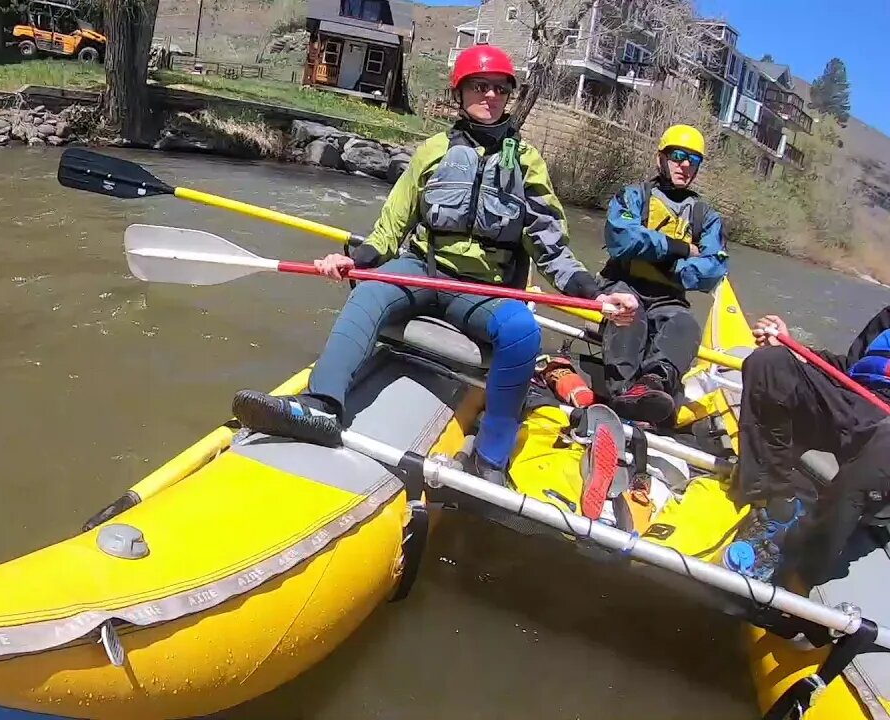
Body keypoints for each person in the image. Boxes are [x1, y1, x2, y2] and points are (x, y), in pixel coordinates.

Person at [230, 45, 637, 487]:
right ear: (460, 93)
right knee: (370, 290)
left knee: (524, 332)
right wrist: (355, 259)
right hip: (422, 270)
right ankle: (321, 406)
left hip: (484, 289)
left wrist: (595, 293)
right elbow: (391, 226)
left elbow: (552, 248)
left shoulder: (527, 163)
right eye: (479, 86)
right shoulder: (433, 151)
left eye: (499, 88)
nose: (490, 95)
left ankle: (490, 461)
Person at [730, 307, 890, 587]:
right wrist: (794, 349)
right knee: (769, 362)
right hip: (852, 402)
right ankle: (775, 508)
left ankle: (803, 571)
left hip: (885, 430)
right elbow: (849, 369)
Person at [597, 124, 729, 426]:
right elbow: (623, 239)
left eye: (692, 160)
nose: (684, 165)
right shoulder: (633, 197)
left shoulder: (706, 217)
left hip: (670, 295)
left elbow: (714, 267)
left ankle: (653, 385)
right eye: (678, 156)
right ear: (661, 159)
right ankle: (623, 392)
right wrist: (680, 248)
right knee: (629, 313)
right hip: (623, 283)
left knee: (685, 324)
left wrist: (669, 265)